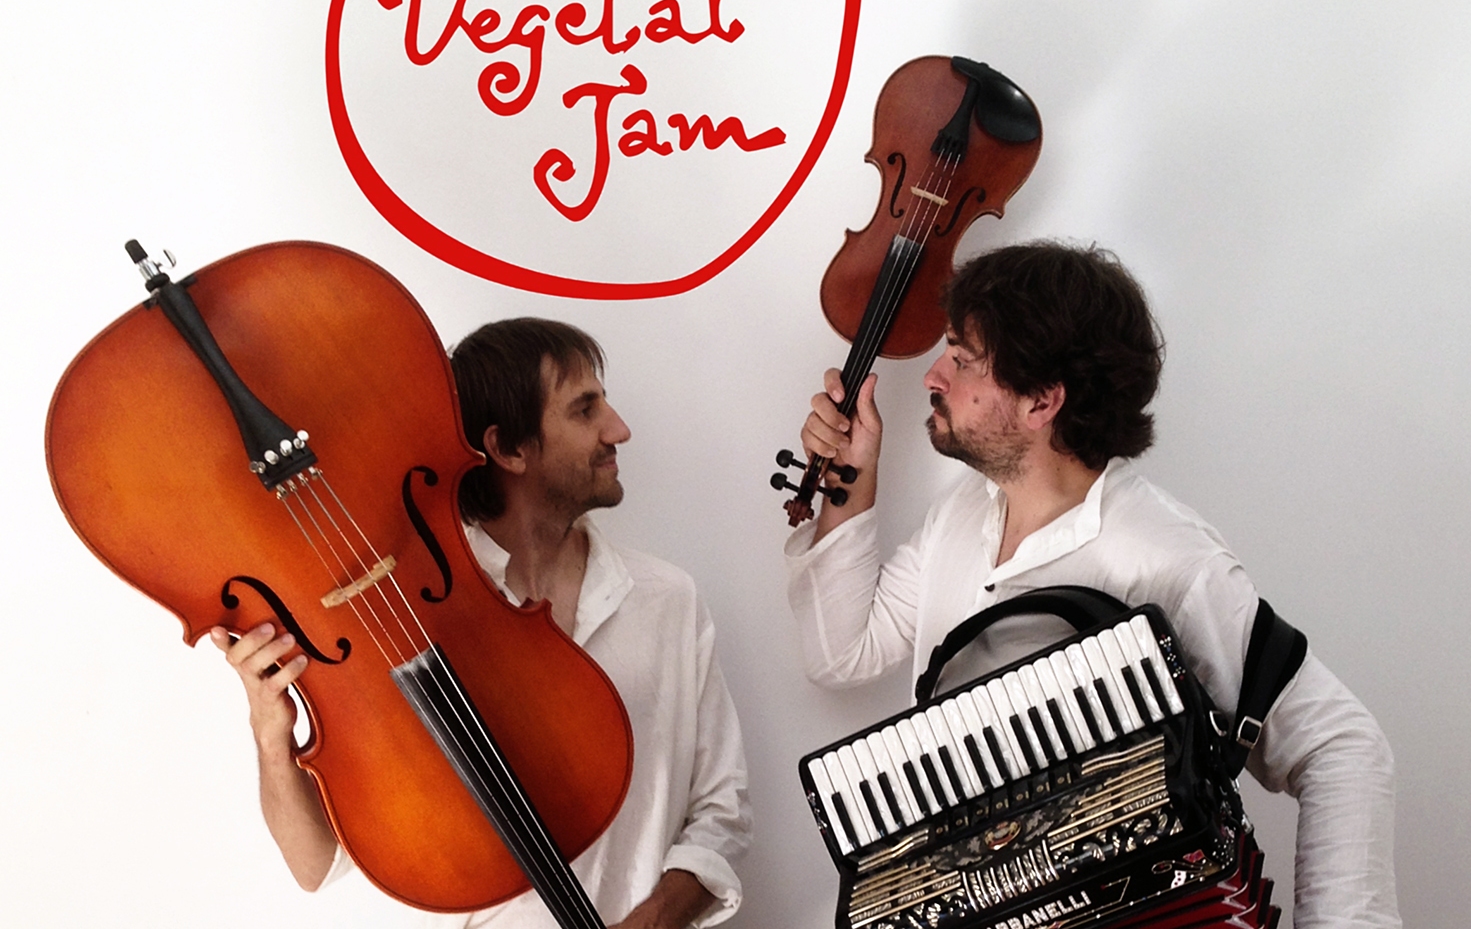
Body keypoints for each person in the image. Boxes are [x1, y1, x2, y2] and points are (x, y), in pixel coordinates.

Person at [785, 241, 1399, 928]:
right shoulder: (961, 514)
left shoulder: (1165, 555)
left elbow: (1341, 744)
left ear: (1042, 400)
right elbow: (841, 652)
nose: (933, 374)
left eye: (961, 357)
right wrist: (852, 473)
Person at [211, 318, 751, 929]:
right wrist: (271, 735)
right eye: (585, 410)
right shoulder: (401, 624)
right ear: (508, 449)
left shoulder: (668, 600)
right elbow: (316, 864)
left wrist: (652, 921)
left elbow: (722, 810)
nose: (618, 429)